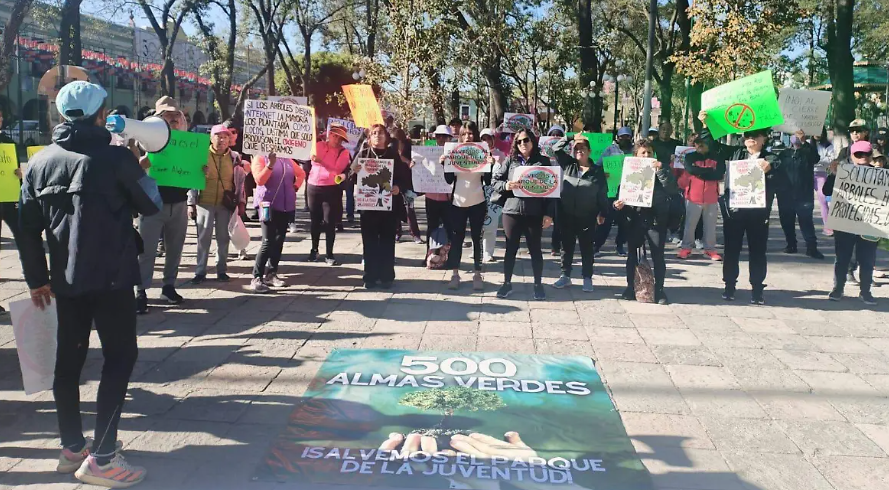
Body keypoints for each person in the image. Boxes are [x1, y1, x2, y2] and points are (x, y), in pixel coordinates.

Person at [19, 81, 161, 486]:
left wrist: (37, 280)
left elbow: (26, 229)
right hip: (112, 277)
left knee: (68, 362)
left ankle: (72, 448)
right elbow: (150, 204)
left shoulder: (40, 162)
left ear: (62, 115)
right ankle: (103, 459)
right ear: (101, 114)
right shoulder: (116, 157)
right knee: (119, 358)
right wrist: (138, 165)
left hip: (64, 280)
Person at [698, 111, 780, 305]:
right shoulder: (736, 153)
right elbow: (712, 147)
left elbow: (780, 166)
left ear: (764, 138)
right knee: (731, 250)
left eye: (755, 135)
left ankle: (757, 289)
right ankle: (729, 286)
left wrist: (770, 166)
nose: (750, 138)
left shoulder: (771, 157)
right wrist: (705, 126)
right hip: (735, 211)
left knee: (757, 252)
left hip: (758, 213)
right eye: (747, 135)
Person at [135, 96, 189, 314]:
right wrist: (142, 164)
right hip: (151, 203)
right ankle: (140, 291)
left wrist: (200, 172)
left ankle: (168, 287)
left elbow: (192, 170)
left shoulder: (187, 142)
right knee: (146, 251)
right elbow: (133, 169)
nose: (173, 119)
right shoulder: (144, 140)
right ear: (158, 117)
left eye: (176, 115)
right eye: (168, 115)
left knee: (175, 249)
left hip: (179, 202)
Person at [491, 129, 555, 301]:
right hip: (511, 211)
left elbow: (552, 189)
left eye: (526, 140)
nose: (522, 144)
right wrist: (506, 185)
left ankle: (538, 285)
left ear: (532, 141)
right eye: (519, 141)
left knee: (535, 250)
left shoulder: (543, 161)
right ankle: (506, 283)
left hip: (534, 212)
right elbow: (495, 181)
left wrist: (549, 214)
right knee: (510, 249)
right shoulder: (510, 160)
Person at [615, 140, 679, 304]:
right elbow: (621, 192)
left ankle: (659, 290)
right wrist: (618, 204)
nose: (646, 155)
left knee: (658, 255)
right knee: (632, 255)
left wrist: (661, 170)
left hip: (656, 219)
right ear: (635, 156)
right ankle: (631, 287)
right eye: (642, 153)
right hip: (635, 218)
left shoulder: (661, 169)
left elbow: (672, 189)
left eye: (649, 152)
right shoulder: (629, 170)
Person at [351, 124, 411, 289]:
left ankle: (386, 277)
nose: (378, 136)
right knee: (369, 242)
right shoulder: (363, 154)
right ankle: (370, 277)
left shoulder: (393, 155)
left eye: (381, 133)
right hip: (368, 207)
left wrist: (398, 187)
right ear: (369, 138)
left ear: (386, 137)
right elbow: (350, 176)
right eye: (374, 133)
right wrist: (354, 171)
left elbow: (404, 177)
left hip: (388, 206)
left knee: (387, 241)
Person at [550, 134, 609, 292]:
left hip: (587, 216)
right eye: (576, 148)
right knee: (566, 247)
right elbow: (555, 149)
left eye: (583, 148)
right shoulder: (569, 164)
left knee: (587, 248)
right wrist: (570, 136)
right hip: (566, 214)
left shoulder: (597, 172)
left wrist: (603, 212)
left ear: (589, 151)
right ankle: (565, 276)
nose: (579, 151)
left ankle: (587, 278)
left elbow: (602, 194)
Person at [188, 124, 245, 284]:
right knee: (203, 239)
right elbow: (191, 179)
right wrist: (191, 203)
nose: (222, 140)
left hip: (225, 204)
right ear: (211, 138)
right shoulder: (201, 155)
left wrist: (241, 201)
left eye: (225, 137)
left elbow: (240, 181)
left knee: (223, 237)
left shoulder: (234, 157)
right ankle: (200, 271)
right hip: (204, 202)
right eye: (218, 137)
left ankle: (221, 270)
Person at [825, 141, 879, 305]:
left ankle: (865, 291)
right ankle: (838, 288)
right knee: (842, 257)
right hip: (845, 222)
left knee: (867, 259)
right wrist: (833, 175)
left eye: (866, 154)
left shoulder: (880, 175)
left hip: (870, 224)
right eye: (858, 154)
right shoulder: (843, 172)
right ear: (851, 156)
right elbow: (826, 191)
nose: (862, 157)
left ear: (871, 156)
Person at [443, 125, 495, 291]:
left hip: (478, 201)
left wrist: (490, 165)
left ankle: (477, 274)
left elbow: (487, 181)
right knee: (456, 239)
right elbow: (449, 180)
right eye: (464, 134)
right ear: (460, 136)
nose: (467, 137)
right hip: (457, 203)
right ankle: (455, 274)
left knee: (477, 239)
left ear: (475, 135)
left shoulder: (483, 152)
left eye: (471, 133)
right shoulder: (454, 152)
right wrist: (444, 163)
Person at [251, 152, 306, 293]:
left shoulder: (287, 159)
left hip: (285, 205)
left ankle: (271, 273)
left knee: (279, 240)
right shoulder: (259, 158)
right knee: (268, 241)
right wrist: (270, 165)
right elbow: (259, 180)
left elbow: (301, 173)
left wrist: (295, 187)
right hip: (266, 205)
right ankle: (256, 277)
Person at [774, 130, 824, 258]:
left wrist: (804, 143)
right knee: (786, 221)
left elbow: (815, 158)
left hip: (804, 194)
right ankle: (791, 244)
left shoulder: (807, 152)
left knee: (806, 221)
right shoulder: (783, 154)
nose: (795, 138)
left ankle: (811, 248)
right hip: (785, 194)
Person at [307, 124, 352, 265]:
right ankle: (314, 249)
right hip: (313, 186)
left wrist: (322, 161)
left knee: (329, 222)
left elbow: (337, 169)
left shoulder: (344, 152)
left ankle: (329, 253)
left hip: (331, 189)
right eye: (334, 136)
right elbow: (310, 157)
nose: (337, 139)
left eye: (340, 138)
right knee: (315, 221)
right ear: (329, 135)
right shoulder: (319, 145)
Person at [677, 136, 725, 260]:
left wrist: (699, 172)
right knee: (689, 225)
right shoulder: (690, 157)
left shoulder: (717, 157)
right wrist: (710, 171)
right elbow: (690, 169)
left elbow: (719, 174)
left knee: (710, 226)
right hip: (693, 196)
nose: (699, 146)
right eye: (697, 143)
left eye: (702, 143)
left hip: (711, 196)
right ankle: (686, 248)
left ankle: (710, 249)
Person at [595, 127, 633, 256]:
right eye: (622, 137)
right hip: (611, 191)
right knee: (606, 220)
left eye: (627, 137)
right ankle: (596, 246)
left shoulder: (634, 151)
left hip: (628, 191)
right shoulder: (610, 150)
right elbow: (598, 165)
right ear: (617, 138)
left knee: (624, 221)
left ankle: (620, 245)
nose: (624, 139)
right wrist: (603, 173)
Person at [424, 125, 455, 250]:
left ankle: (449, 256)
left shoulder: (456, 153)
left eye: (444, 136)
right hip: (431, 196)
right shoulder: (427, 152)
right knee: (431, 227)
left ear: (450, 138)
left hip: (448, 198)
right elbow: (421, 166)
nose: (441, 139)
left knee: (449, 228)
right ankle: (430, 254)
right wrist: (415, 164)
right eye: (438, 136)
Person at [391, 128, 423, 243]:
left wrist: (412, 163)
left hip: (408, 182)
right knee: (395, 208)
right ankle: (397, 233)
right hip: (395, 182)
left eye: (398, 141)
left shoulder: (410, 148)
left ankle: (415, 234)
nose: (396, 143)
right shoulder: (391, 150)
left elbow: (416, 161)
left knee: (410, 209)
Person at [480, 128, 505, 262]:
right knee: (477, 223)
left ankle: (488, 252)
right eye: (483, 139)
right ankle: (477, 249)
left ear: (493, 140)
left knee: (491, 223)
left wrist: (495, 164)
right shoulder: (476, 153)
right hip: (477, 191)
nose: (486, 142)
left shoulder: (500, 155)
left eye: (488, 138)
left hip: (493, 194)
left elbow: (503, 173)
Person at [546, 125, 566, 256]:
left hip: (561, 191)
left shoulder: (566, 154)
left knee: (559, 221)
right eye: (553, 134)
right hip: (546, 191)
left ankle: (556, 246)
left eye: (559, 135)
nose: (555, 137)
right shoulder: (543, 153)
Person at [813, 129, 835, 237]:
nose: (817, 134)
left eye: (820, 132)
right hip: (807, 174)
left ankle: (829, 227)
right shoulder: (807, 144)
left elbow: (830, 159)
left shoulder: (828, 145)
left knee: (823, 200)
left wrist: (818, 161)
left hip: (821, 174)